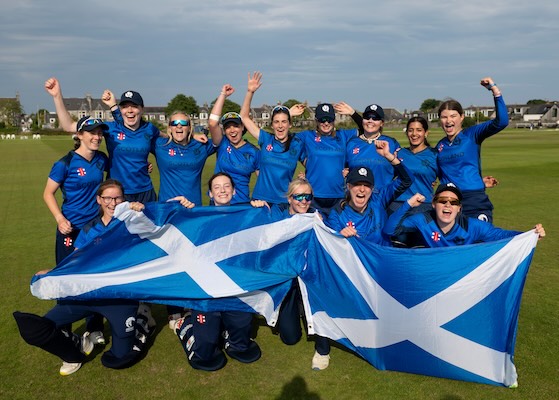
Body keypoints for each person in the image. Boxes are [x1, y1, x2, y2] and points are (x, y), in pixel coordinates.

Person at [13, 181, 152, 376]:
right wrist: (54, 272)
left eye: (118, 198)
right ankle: (74, 349)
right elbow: (76, 261)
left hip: (119, 298)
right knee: (41, 329)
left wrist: (143, 212)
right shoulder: (90, 228)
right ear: (99, 200)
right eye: (107, 198)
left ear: (124, 199)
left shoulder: (133, 223)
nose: (113, 203)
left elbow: (160, 229)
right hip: (87, 295)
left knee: (121, 357)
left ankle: (142, 322)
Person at [175, 172, 261, 371]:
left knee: (242, 342)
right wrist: (179, 208)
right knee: (205, 352)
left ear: (234, 191)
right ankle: (185, 326)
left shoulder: (246, 215)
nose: (222, 190)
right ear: (210, 194)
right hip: (207, 289)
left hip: (234, 287)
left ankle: (228, 333)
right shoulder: (198, 216)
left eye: (226, 186)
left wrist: (260, 208)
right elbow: (168, 225)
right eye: (217, 187)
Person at [44, 78, 160, 203]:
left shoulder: (150, 129)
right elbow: (68, 126)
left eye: (134, 107)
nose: (130, 110)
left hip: (145, 192)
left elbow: (167, 138)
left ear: (142, 109)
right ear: (121, 111)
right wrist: (57, 96)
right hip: (118, 194)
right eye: (125, 107)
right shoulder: (111, 128)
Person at [436, 77, 508, 223]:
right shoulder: (440, 146)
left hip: (474, 200)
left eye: (453, 116)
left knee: (480, 242)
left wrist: (494, 90)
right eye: (444, 117)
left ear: (461, 117)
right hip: (449, 202)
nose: (448, 120)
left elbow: (502, 122)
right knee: (454, 244)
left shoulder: (472, 134)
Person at [383, 183, 545, 248]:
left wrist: (529, 235)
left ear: (459, 208)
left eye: (453, 202)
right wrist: (409, 204)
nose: (448, 205)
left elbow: (500, 235)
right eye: (443, 200)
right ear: (433, 204)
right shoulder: (423, 219)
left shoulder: (472, 226)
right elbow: (390, 230)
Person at [43, 116, 109, 264]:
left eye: (99, 133)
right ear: (79, 135)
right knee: (67, 273)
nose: (97, 137)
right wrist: (60, 219)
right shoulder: (65, 163)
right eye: (92, 133)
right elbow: (48, 193)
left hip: (95, 226)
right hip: (71, 227)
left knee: (94, 269)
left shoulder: (101, 159)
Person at [325, 141, 413, 244]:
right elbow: (331, 245)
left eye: (367, 185)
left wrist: (389, 156)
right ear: (348, 186)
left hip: (381, 257)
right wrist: (340, 235)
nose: (362, 189)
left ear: (372, 189)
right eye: (357, 184)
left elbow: (407, 180)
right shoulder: (337, 213)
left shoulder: (379, 200)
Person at [240, 71, 306, 204]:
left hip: (283, 203)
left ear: (290, 124)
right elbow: (244, 117)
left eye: (284, 122)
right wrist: (250, 92)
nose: (280, 126)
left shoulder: (297, 144)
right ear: (272, 125)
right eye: (276, 122)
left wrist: (306, 177)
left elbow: (313, 164)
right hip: (260, 201)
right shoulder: (265, 139)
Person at [289, 103, 357, 216]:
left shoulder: (343, 135)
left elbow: (366, 129)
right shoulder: (307, 136)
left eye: (329, 120)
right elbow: (282, 133)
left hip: (338, 195)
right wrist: (289, 114)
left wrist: (353, 114)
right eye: (322, 120)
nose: (326, 123)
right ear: (316, 121)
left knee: (336, 231)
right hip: (313, 196)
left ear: (334, 120)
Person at [208, 84, 259, 204]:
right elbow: (212, 123)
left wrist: (258, 201)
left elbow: (263, 181)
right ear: (224, 130)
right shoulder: (222, 143)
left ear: (242, 127)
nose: (232, 130)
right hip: (218, 203)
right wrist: (223, 95)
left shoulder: (254, 152)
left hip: (242, 205)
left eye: (236, 126)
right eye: (228, 127)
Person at [153, 111, 215, 206]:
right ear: (169, 127)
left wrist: (222, 95)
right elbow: (143, 131)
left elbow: (221, 138)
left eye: (183, 123)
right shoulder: (160, 144)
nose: (179, 126)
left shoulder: (201, 145)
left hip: (193, 206)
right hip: (167, 206)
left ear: (189, 127)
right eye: (174, 123)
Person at [335, 102, 401, 189]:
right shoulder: (351, 143)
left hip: (383, 197)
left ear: (382, 123)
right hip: (358, 197)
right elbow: (344, 168)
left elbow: (401, 171)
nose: (370, 121)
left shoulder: (391, 143)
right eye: (367, 117)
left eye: (375, 118)